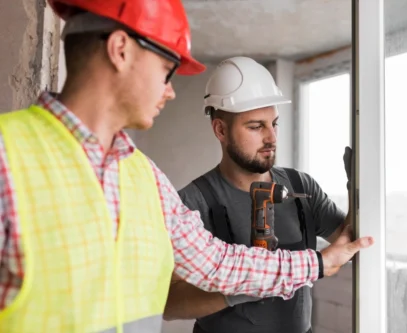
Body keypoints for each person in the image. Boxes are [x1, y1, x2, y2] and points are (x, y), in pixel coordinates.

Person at [0, 1, 373, 332]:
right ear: (121, 50)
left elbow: (216, 264)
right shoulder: (8, 157)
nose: (171, 90)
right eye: (166, 69)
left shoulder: (144, 178)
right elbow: (175, 298)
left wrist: (319, 262)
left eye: (272, 124)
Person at [164, 56, 354, 333]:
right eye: (256, 126)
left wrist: (357, 190)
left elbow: (348, 245)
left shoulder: (301, 187)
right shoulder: (192, 203)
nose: (272, 138)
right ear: (220, 129)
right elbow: (169, 303)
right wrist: (239, 290)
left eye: (274, 124)